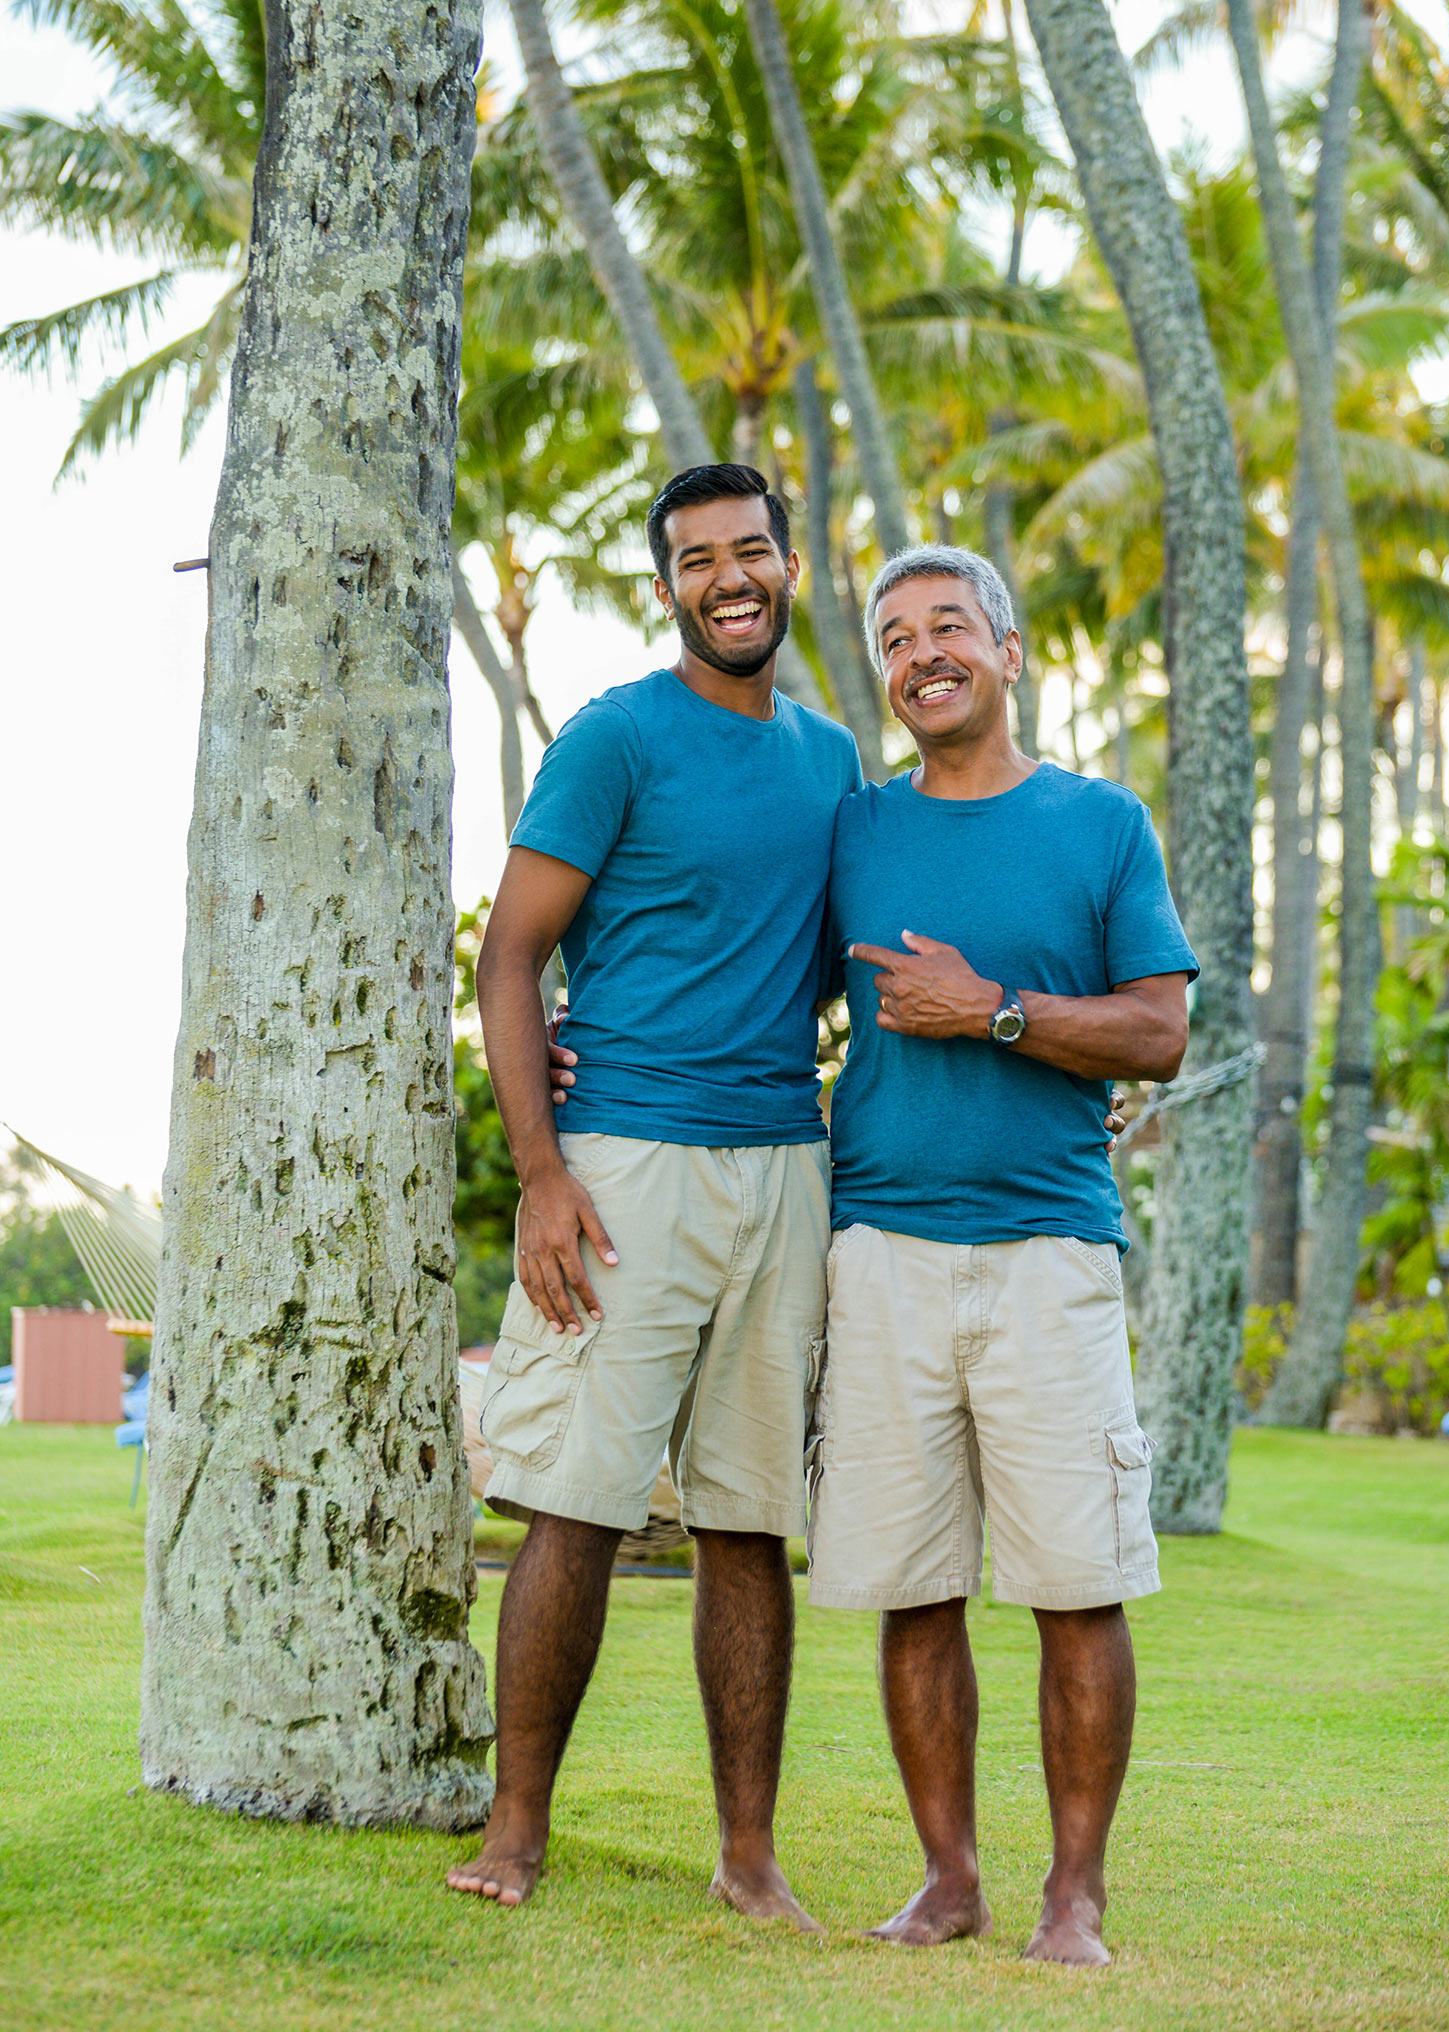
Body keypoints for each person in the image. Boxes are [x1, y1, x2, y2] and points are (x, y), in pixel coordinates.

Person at [446, 463, 860, 1926]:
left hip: (783, 1167)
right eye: (699, 560)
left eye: (753, 551)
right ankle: (516, 1829)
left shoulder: (832, 762)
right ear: (670, 587)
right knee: (575, 1504)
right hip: (622, 1171)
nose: (729, 578)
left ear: (791, 567)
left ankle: (749, 1858)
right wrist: (542, 1173)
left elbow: (838, 964)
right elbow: (512, 957)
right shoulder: (616, 738)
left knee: (751, 1520)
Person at [808, 543, 1197, 1963]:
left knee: (1074, 1584)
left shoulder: (1102, 826)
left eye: (950, 626)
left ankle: (1074, 1896)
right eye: (896, 635)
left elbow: (1159, 1030)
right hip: (882, 1257)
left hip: (1049, 1259)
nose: (923, 653)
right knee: (914, 1587)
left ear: (1012, 651)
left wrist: (997, 1014)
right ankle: (951, 1879)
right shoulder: (854, 830)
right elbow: (756, 980)